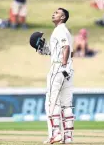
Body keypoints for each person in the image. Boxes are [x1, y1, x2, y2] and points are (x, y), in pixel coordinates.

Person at [30, 8, 74, 144]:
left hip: (58, 68)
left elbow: (65, 47)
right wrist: (43, 48)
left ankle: (55, 134)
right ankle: (68, 137)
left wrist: (63, 64)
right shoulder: (66, 31)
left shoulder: (59, 30)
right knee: (66, 105)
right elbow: (57, 51)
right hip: (68, 71)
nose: (54, 13)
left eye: (57, 12)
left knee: (51, 102)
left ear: (62, 17)